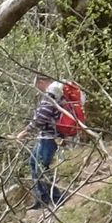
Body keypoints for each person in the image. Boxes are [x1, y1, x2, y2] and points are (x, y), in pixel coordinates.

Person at [27, 79, 79, 210]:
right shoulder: (56, 94)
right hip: (45, 136)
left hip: (49, 137)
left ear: (41, 82)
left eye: (37, 84)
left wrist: (26, 131)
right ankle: (42, 198)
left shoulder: (51, 95)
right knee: (34, 164)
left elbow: (42, 117)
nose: (37, 88)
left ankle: (56, 198)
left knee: (41, 167)